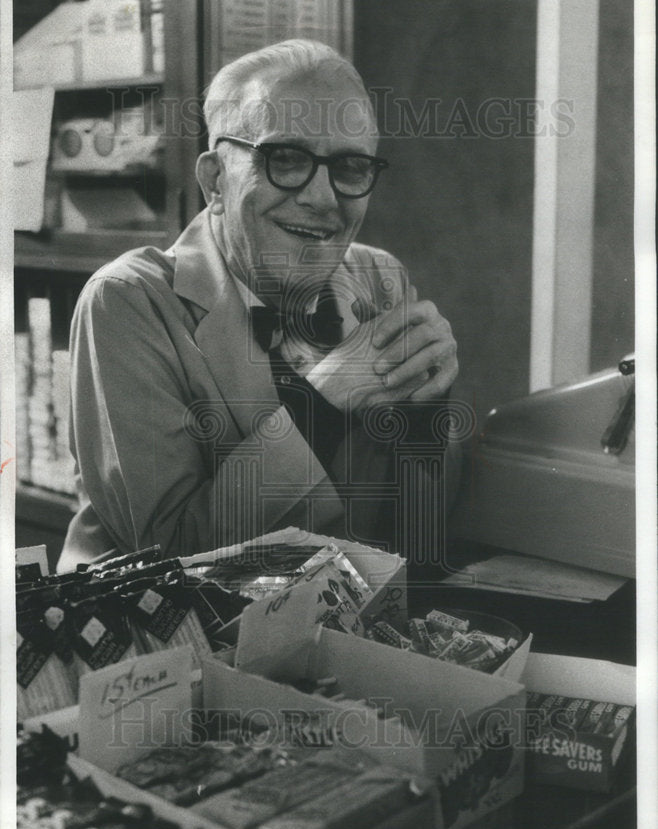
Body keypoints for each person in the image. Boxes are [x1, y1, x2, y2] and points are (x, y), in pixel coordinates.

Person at [58, 39, 459, 572]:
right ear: (215, 182)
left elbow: (422, 540)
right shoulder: (128, 301)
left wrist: (426, 422)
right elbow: (167, 557)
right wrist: (322, 404)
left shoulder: (379, 277)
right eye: (285, 159)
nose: (322, 198)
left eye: (350, 167)